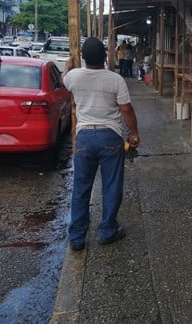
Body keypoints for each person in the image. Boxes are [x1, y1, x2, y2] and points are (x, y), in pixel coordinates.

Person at [62, 37, 140, 251]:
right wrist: (133, 133)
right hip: (110, 137)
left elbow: (64, 80)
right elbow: (126, 110)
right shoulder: (115, 80)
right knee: (111, 186)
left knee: (81, 188)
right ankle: (107, 231)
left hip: (84, 138)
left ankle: (77, 238)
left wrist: (68, 66)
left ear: (84, 58)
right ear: (105, 56)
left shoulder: (74, 76)